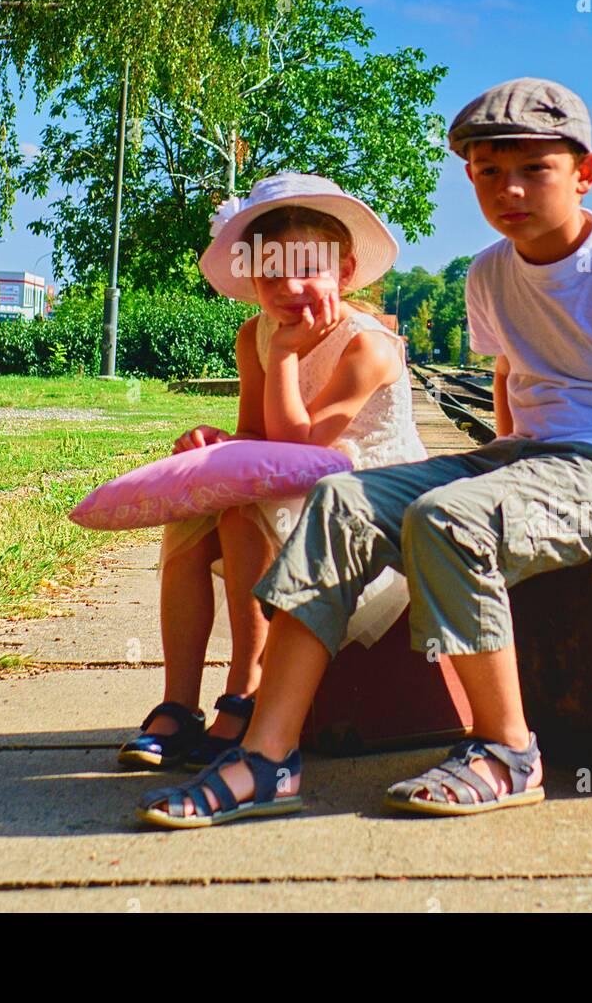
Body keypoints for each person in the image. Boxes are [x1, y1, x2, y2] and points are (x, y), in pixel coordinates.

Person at [136, 77, 592, 829]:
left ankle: (507, 751)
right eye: (488, 171)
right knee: (338, 501)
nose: (510, 189)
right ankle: (270, 757)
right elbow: (508, 380)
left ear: (584, 173)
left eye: (534, 169)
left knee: (446, 518)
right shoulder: (490, 272)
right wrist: (500, 458)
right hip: (523, 459)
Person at [118, 171, 427, 773]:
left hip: (364, 508)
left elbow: (300, 447)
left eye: (305, 268)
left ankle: (247, 688)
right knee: (192, 518)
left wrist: (286, 354)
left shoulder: (368, 348)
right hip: (294, 490)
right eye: (269, 271)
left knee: (242, 512)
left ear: (342, 271)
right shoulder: (254, 335)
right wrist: (214, 443)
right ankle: (178, 704)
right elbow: (259, 440)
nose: (288, 288)